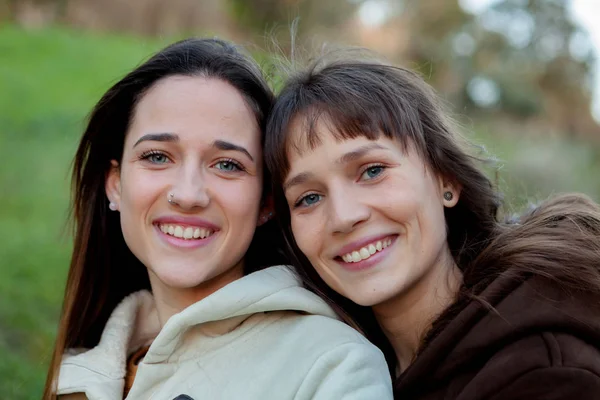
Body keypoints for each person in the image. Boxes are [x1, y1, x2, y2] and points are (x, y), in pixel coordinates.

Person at [43, 39, 393, 400]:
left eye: (227, 164)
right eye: (158, 157)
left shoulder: (333, 366)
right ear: (115, 185)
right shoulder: (81, 371)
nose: (189, 194)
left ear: (266, 203)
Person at [265, 53, 600, 399]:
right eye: (308, 198)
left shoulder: (544, 372)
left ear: (447, 180)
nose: (344, 217)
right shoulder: (328, 370)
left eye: (372, 170)